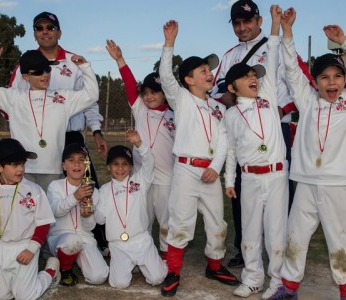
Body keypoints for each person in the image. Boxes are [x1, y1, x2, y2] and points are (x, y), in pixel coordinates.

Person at [272, 8, 346, 300]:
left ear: (345, 80)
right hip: (305, 182)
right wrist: (288, 31)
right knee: (296, 237)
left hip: (337, 185)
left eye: (337, 77)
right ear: (315, 82)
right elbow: (291, 68)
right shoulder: (307, 100)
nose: (332, 83)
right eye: (324, 78)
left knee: (341, 238)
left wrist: (345, 41)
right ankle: (289, 288)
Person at [211, 0, 313, 269]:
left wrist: (280, 109)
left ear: (259, 21)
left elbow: (302, 83)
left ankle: (285, 251)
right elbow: (215, 90)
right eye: (237, 23)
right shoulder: (229, 55)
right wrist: (227, 98)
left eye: (247, 21)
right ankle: (246, 249)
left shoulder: (274, 48)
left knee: (280, 194)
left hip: (274, 128)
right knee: (244, 192)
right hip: (243, 127)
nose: (242, 28)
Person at [9, 11, 109, 256]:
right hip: (37, 138)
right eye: (39, 27)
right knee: (38, 191)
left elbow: (89, 101)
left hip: (71, 136)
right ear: (34, 33)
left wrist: (96, 131)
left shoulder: (73, 63)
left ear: (59, 32)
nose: (45, 31)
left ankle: (98, 240)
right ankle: (36, 241)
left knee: (86, 184)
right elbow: (11, 102)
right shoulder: (25, 64)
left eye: (50, 27)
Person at [159, 20, 239, 297]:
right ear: (189, 79)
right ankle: (172, 271)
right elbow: (166, 77)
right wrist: (169, 44)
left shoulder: (218, 107)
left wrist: (217, 168)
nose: (209, 73)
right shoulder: (180, 98)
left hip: (210, 174)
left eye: (210, 69)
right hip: (186, 171)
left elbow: (224, 141)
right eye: (203, 70)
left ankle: (214, 265)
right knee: (180, 222)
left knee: (218, 223)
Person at [223, 5, 289, 298]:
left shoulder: (268, 94)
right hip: (248, 178)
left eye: (255, 75)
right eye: (247, 76)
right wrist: (228, 181)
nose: (254, 79)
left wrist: (275, 25)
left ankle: (277, 280)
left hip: (276, 176)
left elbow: (272, 54)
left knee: (276, 231)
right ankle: (252, 278)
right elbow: (231, 152)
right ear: (233, 87)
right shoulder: (231, 115)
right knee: (250, 231)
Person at [0, 39, 98, 192]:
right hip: (22, 170)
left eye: (47, 69)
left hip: (53, 171)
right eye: (38, 71)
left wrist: (85, 68)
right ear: (26, 77)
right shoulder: (14, 98)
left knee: (52, 212)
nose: (45, 74)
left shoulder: (62, 98)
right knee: (26, 213)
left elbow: (92, 95)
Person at [105, 39, 176, 256]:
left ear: (164, 93)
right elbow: (128, 85)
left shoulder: (176, 114)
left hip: (166, 176)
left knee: (166, 219)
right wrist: (120, 60)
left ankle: (166, 255)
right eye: (145, 92)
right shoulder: (141, 110)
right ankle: (141, 251)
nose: (149, 96)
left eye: (154, 92)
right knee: (141, 216)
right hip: (140, 175)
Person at [0, 138, 58, 299]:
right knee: (1, 297)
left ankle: (50, 271)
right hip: (0, 247)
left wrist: (31, 249)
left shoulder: (33, 190)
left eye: (23, 164)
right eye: (15, 165)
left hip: (25, 245)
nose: (21, 169)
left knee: (25, 296)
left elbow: (43, 223)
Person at [93, 130, 167, 289]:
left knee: (157, 278)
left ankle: (155, 263)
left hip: (141, 241)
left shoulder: (139, 182)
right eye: (115, 164)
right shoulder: (104, 191)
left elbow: (149, 162)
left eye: (125, 164)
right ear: (108, 167)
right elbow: (99, 220)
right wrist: (91, 206)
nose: (120, 168)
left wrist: (139, 144)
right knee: (119, 284)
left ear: (131, 167)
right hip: (118, 245)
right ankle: (130, 265)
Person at [46, 143, 109, 286]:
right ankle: (65, 268)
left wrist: (87, 216)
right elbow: (55, 211)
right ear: (63, 165)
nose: (77, 164)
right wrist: (75, 197)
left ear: (86, 165)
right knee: (72, 241)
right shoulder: (55, 186)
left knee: (99, 276)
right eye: (71, 160)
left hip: (84, 237)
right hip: (61, 237)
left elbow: (90, 227)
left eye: (81, 160)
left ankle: (73, 259)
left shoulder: (94, 190)